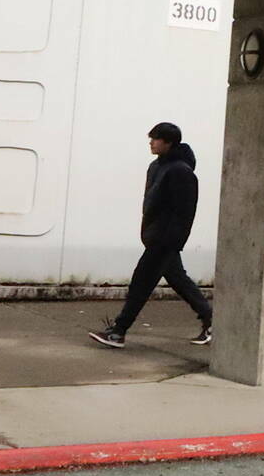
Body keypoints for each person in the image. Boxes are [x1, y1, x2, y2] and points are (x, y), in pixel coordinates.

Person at [89, 123, 212, 349]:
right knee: (178, 280)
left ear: (168, 142)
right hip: (156, 237)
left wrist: (170, 242)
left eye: (156, 139)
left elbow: (184, 212)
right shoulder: (156, 167)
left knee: (140, 284)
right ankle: (212, 320)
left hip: (164, 241)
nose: (151, 142)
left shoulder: (180, 172)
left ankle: (119, 331)